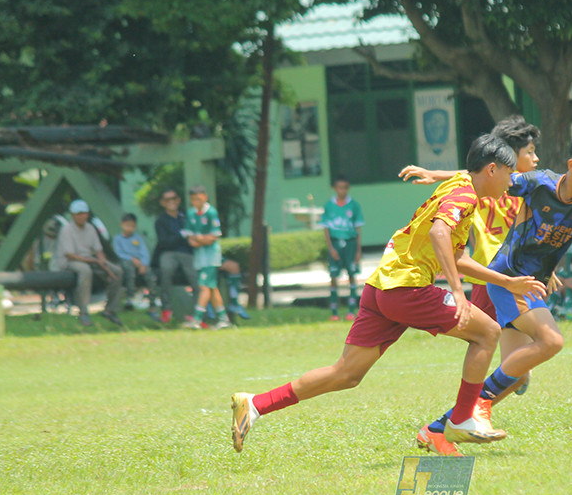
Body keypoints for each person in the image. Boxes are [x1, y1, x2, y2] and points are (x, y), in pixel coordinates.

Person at [229, 135, 548, 453]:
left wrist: (507, 282)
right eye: (509, 174)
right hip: (407, 288)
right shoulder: (466, 196)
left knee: (347, 373)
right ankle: (462, 418)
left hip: (382, 284)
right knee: (487, 333)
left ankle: (255, 404)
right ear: (492, 170)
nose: (511, 182)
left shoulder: (462, 184)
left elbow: (458, 256)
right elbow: (439, 232)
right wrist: (457, 291)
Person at [420, 130, 572, 450]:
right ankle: (474, 408)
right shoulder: (540, 182)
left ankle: (437, 429)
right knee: (551, 340)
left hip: (530, 285)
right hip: (508, 277)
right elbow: (484, 177)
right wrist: (435, 175)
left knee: (517, 376)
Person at [401, 116, 542, 455]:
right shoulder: (489, 183)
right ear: (503, 161)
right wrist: (436, 175)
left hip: (509, 278)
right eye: (530, 152)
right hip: (493, 279)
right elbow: (469, 177)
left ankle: (452, 422)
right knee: (517, 364)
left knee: (518, 369)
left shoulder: (515, 185)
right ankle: (447, 425)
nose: (536, 160)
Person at [52, 199, 125, 327]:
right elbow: (70, 255)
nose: (81, 216)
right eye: (78, 213)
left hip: (89, 260)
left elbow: (98, 250)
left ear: (87, 214)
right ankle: (83, 312)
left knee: (117, 271)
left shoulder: (90, 228)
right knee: (85, 271)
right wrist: (96, 260)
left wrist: (102, 262)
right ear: (72, 215)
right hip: (69, 262)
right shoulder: (67, 230)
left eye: (83, 213)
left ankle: (110, 309)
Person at [183, 185, 231, 330]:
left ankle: (197, 319)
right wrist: (201, 239)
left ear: (205, 197)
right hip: (200, 256)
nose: (196, 202)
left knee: (204, 286)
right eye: (193, 200)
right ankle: (224, 319)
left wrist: (200, 239)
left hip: (211, 256)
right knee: (211, 287)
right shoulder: (191, 213)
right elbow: (190, 239)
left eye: (198, 199)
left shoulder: (211, 212)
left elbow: (213, 237)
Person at [152, 188, 199, 326]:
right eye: (167, 200)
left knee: (196, 278)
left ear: (178, 200)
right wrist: (181, 236)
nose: (171, 202)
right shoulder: (160, 221)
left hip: (186, 253)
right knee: (166, 270)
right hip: (168, 253)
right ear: (163, 203)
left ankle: (196, 313)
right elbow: (164, 242)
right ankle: (166, 309)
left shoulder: (186, 217)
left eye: (174, 199)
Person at [321, 175, 365, 321]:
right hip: (335, 243)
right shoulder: (329, 206)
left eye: (345, 187)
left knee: (352, 275)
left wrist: (358, 250)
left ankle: (351, 311)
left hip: (350, 243)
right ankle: (334, 312)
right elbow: (326, 228)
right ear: (334, 188)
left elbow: (358, 228)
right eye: (339, 187)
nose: (342, 191)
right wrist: (331, 248)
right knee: (334, 276)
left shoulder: (354, 205)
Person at [112, 213, 161, 321]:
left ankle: (152, 303)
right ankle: (130, 297)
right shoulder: (118, 239)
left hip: (139, 263)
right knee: (129, 270)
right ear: (122, 225)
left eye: (132, 226)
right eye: (127, 225)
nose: (129, 228)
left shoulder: (138, 239)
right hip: (126, 262)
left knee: (150, 276)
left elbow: (144, 252)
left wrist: (143, 264)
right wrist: (132, 259)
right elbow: (119, 253)